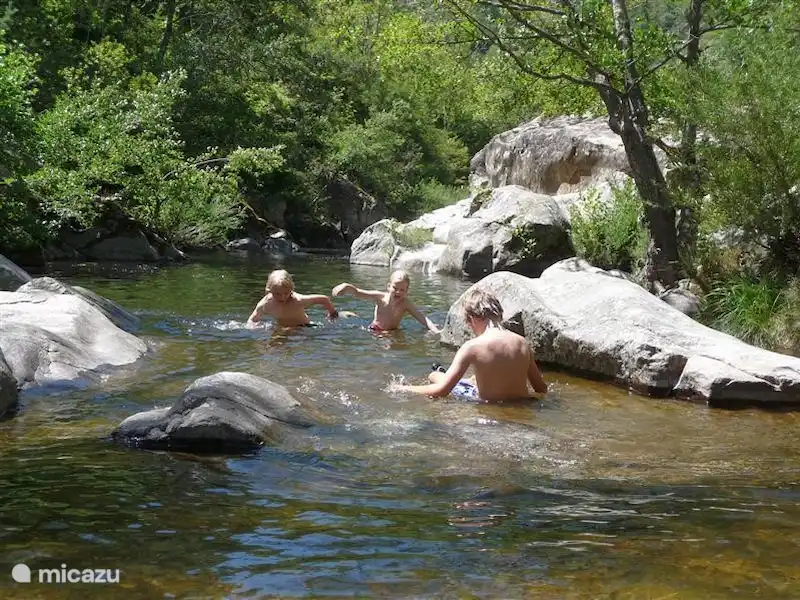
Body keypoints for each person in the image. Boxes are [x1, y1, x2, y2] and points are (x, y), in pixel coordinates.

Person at [395, 288, 547, 402]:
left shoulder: (472, 347)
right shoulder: (522, 342)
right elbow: (541, 388)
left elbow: (441, 391)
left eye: (468, 322)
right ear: (499, 314)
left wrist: (403, 389)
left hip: (488, 405)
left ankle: (443, 374)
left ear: (472, 318)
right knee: (466, 379)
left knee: (434, 376)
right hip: (521, 404)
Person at [332, 269, 441, 333]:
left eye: (402, 290)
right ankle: (345, 314)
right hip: (376, 330)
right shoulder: (380, 298)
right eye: (395, 288)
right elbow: (358, 293)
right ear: (389, 286)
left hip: (393, 332)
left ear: (407, 291)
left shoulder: (405, 303)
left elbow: (422, 318)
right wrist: (346, 286)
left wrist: (435, 330)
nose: (398, 292)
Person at [247, 269, 338, 328]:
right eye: (277, 294)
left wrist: (332, 314)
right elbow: (253, 318)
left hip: (304, 327)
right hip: (283, 328)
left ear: (291, 289)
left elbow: (324, 299)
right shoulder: (266, 303)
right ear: (269, 290)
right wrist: (252, 326)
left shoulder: (298, 300)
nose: (282, 297)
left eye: (286, 293)